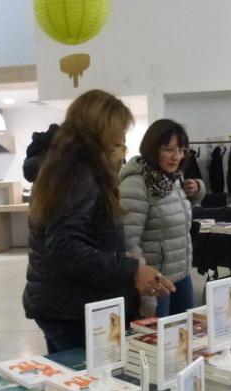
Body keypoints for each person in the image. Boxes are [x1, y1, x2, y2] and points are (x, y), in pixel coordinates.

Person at [23, 89, 176, 354]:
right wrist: (131, 270)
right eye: (119, 134)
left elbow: (78, 237)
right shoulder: (76, 173)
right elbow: (65, 247)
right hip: (74, 308)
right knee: (89, 383)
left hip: (68, 302)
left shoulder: (69, 166)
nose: (121, 140)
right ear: (101, 130)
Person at [119, 119, 205, 317]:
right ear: (153, 148)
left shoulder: (171, 179)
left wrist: (198, 189)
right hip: (155, 281)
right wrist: (145, 289)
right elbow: (128, 242)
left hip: (181, 274)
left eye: (182, 150)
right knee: (158, 343)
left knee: (184, 337)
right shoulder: (136, 184)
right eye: (169, 150)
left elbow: (177, 213)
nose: (177, 157)